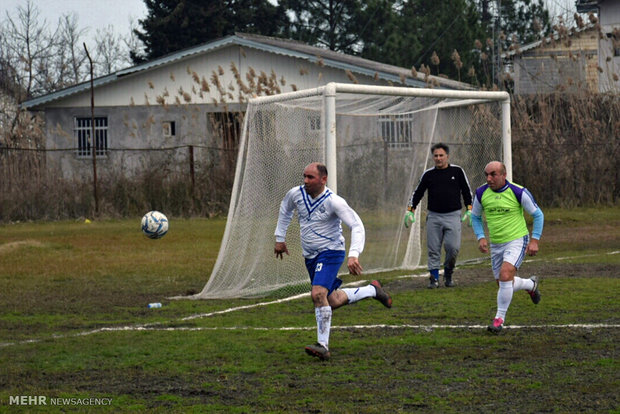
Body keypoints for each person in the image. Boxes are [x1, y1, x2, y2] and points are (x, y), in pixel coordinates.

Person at [274, 162, 392, 360]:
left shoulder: (334, 202)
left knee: (317, 293)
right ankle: (372, 290)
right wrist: (279, 238)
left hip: (331, 252)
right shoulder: (296, 194)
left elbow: (356, 225)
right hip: (310, 256)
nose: (305, 181)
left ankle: (323, 346)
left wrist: (353, 254)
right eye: (304, 176)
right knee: (330, 300)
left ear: (323, 179)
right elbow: (285, 209)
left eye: (310, 177)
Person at [470, 161, 544, 334]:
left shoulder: (518, 192)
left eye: (493, 174)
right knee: (504, 283)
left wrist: (535, 240)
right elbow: (475, 217)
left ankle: (499, 319)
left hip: (517, 239)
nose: (489, 178)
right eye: (486, 175)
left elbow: (538, 215)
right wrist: (481, 237)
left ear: (503, 175)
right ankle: (530, 284)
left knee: (505, 275)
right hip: (496, 243)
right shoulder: (481, 193)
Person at [404, 143, 473, 288]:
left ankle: (448, 274)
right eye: (435, 156)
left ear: (447, 156)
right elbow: (417, 193)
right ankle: (434, 279)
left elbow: (467, 191)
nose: (438, 158)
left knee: (452, 248)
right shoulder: (428, 174)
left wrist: (469, 209)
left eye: (441, 155)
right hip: (434, 217)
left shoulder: (457, 171)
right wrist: (410, 210)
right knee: (433, 249)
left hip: (453, 216)